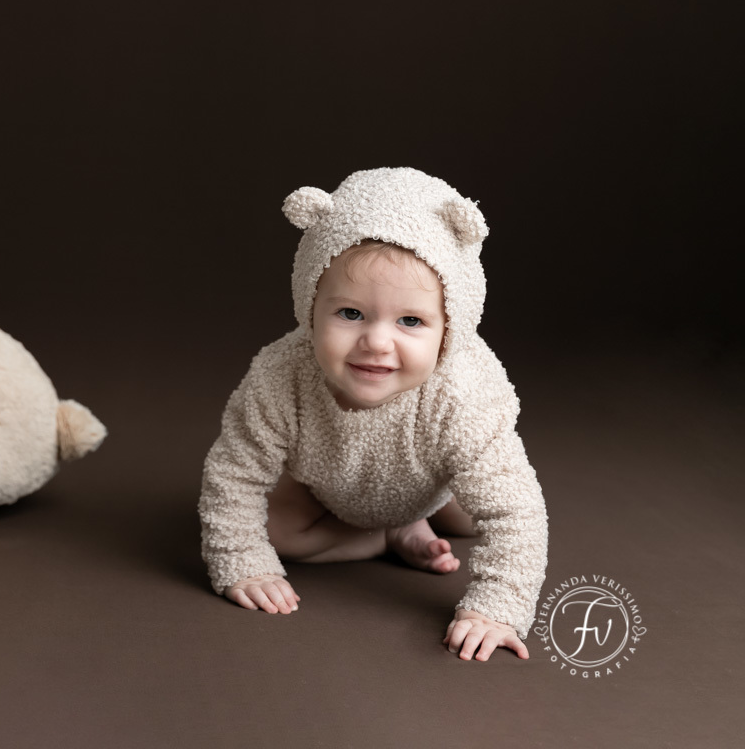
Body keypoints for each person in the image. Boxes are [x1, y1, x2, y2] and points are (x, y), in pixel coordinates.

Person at [198, 167, 547, 662]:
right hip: (328, 489)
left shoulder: (462, 395)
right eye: (350, 313)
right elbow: (233, 473)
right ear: (309, 307)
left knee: (481, 512)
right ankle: (383, 538)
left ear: (450, 329)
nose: (377, 342)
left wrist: (495, 608)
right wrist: (242, 560)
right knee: (276, 532)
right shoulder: (281, 376)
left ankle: (416, 522)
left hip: (434, 483)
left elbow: (516, 513)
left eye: (411, 321)